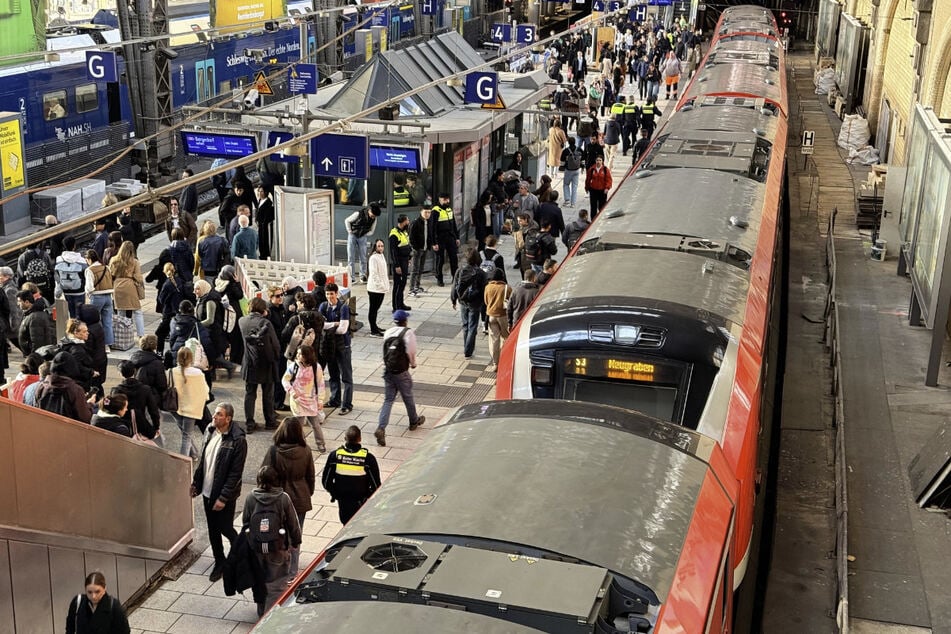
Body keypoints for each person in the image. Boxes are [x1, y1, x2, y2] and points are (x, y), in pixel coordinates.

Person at [191, 402, 248, 583]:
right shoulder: (210, 430)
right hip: (208, 490)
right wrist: (196, 484)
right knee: (212, 530)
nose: (214, 417)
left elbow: (235, 473)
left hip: (224, 495)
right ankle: (220, 561)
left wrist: (223, 497)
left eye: (218, 415)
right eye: (215, 414)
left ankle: (242, 552)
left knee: (225, 527)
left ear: (228, 419)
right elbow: (203, 461)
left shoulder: (238, 440)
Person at [262, 418, 315, 579]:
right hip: (300, 498)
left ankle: (278, 567)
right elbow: (310, 476)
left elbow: (264, 476)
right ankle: (293, 571)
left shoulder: (273, 452)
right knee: (296, 535)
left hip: (277, 499)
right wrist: (307, 493)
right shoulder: (306, 451)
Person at [373, 309, 425, 447]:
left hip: (388, 370)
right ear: (405, 321)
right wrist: (413, 364)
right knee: (407, 396)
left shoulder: (388, 332)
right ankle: (414, 421)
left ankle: (381, 427)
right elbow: (411, 351)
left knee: (388, 400)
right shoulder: (408, 333)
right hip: (401, 372)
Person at [321, 425, 381, 524]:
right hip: (361, 501)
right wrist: (368, 496)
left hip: (343, 501)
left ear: (345, 439)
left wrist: (335, 493)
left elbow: (326, 481)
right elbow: (376, 485)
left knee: (345, 524)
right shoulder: (368, 459)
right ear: (360, 439)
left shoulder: (335, 456)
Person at [238, 297, 281, 433]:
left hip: (249, 362)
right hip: (266, 363)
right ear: (263, 310)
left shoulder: (242, 321)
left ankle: (249, 423)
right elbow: (274, 344)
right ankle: (270, 421)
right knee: (268, 393)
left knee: (250, 393)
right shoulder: (265, 323)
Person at [281, 344, 327, 453]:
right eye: (298, 353)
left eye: (300, 354)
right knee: (299, 426)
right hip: (298, 400)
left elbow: (321, 384)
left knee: (315, 425)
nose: (298, 356)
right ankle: (302, 444)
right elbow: (285, 380)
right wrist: (292, 392)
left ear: (307, 356)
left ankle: (320, 444)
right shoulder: (294, 366)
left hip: (311, 400)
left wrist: (320, 400)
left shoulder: (317, 367)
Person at [319, 282, 353, 414]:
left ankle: (347, 404)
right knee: (333, 375)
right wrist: (334, 324)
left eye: (331, 294)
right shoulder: (323, 306)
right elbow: (319, 325)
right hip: (330, 345)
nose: (329, 297)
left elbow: (343, 329)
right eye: (327, 294)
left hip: (343, 346)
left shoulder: (343, 308)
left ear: (337, 293)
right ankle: (335, 399)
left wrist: (328, 327)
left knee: (346, 376)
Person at [34, 352, 94, 423]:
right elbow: (85, 417)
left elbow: (36, 410)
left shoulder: (41, 387)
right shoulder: (75, 390)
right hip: (68, 430)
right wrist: (90, 404)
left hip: (45, 426)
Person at [112, 360, 161, 445]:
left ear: (120, 373)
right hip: (141, 424)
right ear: (135, 371)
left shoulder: (116, 390)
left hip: (123, 426)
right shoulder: (145, 389)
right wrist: (156, 426)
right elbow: (153, 410)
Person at [450, 247, 487, 360]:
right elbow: (483, 289)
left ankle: (467, 346)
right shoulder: (480, 273)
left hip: (463, 301)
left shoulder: (460, 270)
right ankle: (468, 351)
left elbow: (454, 286)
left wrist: (454, 299)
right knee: (472, 326)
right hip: (475, 303)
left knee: (465, 325)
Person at [65, 571, 130, 634]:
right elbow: (69, 629)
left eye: (97, 592)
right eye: (89, 592)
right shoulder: (78, 603)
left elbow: (124, 631)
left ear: (104, 589)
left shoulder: (114, 606)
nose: (93, 596)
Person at [172, 347, 209, 459]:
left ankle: (193, 454)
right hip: (192, 409)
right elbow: (205, 390)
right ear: (191, 358)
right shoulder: (198, 373)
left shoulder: (171, 371)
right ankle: (183, 461)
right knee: (186, 436)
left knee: (185, 433)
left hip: (175, 407)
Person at [109, 241, 145, 337]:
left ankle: (122, 334)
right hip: (130, 286)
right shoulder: (134, 261)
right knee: (137, 311)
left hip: (117, 285)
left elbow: (111, 274)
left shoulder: (113, 260)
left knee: (120, 311)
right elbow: (138, 277)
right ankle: (141, 334)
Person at [265, 286, 290, 412]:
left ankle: (279, 401)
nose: (281, 298)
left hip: (282, 347)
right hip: (275, 349)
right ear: (270, 297)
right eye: (277, 296)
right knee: (276, 377)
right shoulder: (269, 311)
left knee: (282, 375)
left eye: (282, 295)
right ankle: (276, 402)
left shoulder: (281, 308)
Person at [83, 250, 114, 347]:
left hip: (97, 297)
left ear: (89, 259)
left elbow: (89, 287)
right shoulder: (106, 267)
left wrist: (88, 293)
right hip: (108, 297)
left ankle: (96, 343)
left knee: (94, 322)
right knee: (107, 321)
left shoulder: (90, 270)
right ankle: (108, 344)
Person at [58, 318, 98, 392]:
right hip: (79, 383)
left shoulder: (65, 342)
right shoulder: (78, 350)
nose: (88, 333)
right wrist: (91, 372)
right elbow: (76, 367)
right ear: (76, 333)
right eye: (84, 331)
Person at [484, 269, 512, 372]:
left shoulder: (488, 287)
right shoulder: (507, 288)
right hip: (503, 316)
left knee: (494, 339)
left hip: (491, 316)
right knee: (506, 337)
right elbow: (511, 303)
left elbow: (486, 301)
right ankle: (505, 359)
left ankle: (495, 363)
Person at [344, 203, 380, 284]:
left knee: (363, 257)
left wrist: (365, 234)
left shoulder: (374, 219)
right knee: (350, 257)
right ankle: (351, 277)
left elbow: (372, 230)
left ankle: (363, 275)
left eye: (375, 216)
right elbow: (347, 220)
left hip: (362, 236)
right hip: (352, 235)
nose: (373, 217)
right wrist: (349, 231)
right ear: (369, 210)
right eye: (373, 215)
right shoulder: (358, 214)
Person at [54, 236, 88, 318]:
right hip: (79, 290)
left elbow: (57, 274)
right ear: (74, 246)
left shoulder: (59, 259)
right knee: (80, 313)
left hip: (66, 289)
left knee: (71, 313)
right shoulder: (81, 260)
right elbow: (86, 274)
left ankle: (73, 328)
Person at [432, 193, 459, 287]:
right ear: (440, 200)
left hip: (450, 237)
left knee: (454, 258)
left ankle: (455, 278)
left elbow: (454, 225)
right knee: (440, 259)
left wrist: (457, 237)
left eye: (447, 199)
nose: (447, 201)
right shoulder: (435, 211)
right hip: (440, 238)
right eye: (444, 199)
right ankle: (439, 278)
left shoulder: (449, 209)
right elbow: (433, 228)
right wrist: (434, 242)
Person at [16, 290, 55, 355]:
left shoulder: (35, 318)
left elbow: (37, 342)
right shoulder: (29, 314)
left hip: (36, 356)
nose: (18, 303)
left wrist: (34, 357)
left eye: (20, 301)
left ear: (27, 302)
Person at [409, 206, 436, 295]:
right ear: (421, 212)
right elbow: (411, 237)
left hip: (425, 248)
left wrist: (432, 244)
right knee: (415, 269)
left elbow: (430, 234)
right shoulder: (416, 223)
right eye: (426, 212)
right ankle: (411, 288)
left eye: (429, 212)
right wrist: (415, 248)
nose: (427, 214)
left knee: (421, 268)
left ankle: (417, 285)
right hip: (417, 249)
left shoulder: (429, 222)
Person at [389, 214, 412, 312]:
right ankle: (395, 306)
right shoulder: (394, 234)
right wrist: (397, 265)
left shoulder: (404, 232)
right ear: (403, 222)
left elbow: (407, 245)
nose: (408, 222)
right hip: (399, 262)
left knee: (403, 284)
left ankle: (401, 303)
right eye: (407, 220)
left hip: (405, 260)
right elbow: (393, 251)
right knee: (397, 285)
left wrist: (409, 258)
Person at [365, 239, 388, 337]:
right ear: (375, 246)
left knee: (376, 309)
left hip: (381, 288)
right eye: (379, 246)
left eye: (382, 246)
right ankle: (373, 330)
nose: (381, 248)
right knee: (373, 309)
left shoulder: (381, 255)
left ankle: (375, 326)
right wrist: (381, 285)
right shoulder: (373, 258)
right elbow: (374, 274)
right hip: (375, 289)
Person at [0, 267, 22, 352]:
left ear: (6, 277)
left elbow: (13, 309)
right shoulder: (5, 287)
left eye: (0, 275)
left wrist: (14, 325)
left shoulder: (9, 290)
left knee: (19, 343)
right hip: (9, 324)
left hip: (11, 325)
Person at [585, 155, 613, 220]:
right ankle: (593, 219)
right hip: (593, 190)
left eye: (600, 160)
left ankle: (601, 218)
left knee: (602, 206)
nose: (598, 162)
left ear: (602, 161)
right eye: (597, 160)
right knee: (593, 206)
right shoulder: (592, 169)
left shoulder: (605, 170)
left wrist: (607, 188)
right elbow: (588, 179)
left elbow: (609, 180)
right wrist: (587, 187)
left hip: (602, 191)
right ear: (595, 161)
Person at [561, 138, 583, 208]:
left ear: (569, 143)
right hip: (576, 170)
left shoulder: (566, 151)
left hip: (568, 170)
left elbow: (562, 160)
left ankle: (567, 200)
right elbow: (583, 158)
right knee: (575, 186)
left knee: (566, 184)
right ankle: (573, 203)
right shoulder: (579, 149)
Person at [255, 185, 275, 260]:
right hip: (260, 225)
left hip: (265, 226)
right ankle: (262, 254)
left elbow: (268, 215)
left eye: (262, 191)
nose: (260, 193)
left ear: (266, 192)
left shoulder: (268, 203)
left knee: (265, 240)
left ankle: (266, 255)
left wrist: (263, 222)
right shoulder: (260, 200)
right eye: (259, 191)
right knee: (261, 240)